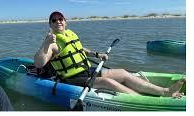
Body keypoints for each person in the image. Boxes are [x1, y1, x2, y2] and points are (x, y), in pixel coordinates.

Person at [34, 11, 185, 98]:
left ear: (65, 22)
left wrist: (97, 54)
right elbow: (38, 63)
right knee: (109, 83)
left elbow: (80, 50)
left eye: (61, 19)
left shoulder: (70, 34)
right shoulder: (51, 43)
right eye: (54, 20)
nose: (58, 22)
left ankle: (164, 91)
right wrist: (46, 43)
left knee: (122, 73)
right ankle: (143, 99)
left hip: (88, 71)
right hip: (72, 79)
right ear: (50, 24)